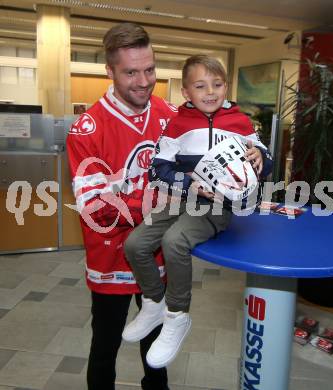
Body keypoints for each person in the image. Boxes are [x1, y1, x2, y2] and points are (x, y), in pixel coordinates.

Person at [122, 54, 273, 368]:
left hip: (217, 205)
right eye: (201, 85)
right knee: (135, 245)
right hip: (182, 199)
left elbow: (265, 161)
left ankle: (176, 316)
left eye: (217, 84)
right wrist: (188, 182)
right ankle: (154, 302)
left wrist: (260, 156)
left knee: (174, 241)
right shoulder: (178, 124)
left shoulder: (240, 121)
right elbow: (157, 169)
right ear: (186, 91)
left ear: (226, 86)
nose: (210, 92)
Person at [66, 22, 177, 390]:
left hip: (157, 256)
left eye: (149, 69)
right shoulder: (87, 128)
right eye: (131, 72)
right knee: (105, 349)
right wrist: (162, 200)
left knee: (157, 350)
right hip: (110, 262)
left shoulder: (169, 115)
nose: (144, 81)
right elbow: (97, 210)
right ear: (109, 70)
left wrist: (252, 149)